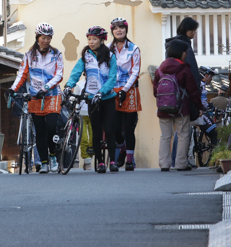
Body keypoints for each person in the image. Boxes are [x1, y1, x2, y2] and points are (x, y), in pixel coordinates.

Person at [8, 23, 64, 173]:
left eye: (48, 38)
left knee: (51, 127)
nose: (46, 40)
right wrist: (12, 89)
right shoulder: (29, 55)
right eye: (43, 37)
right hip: (35, 97)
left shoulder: (56, 54)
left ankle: (53, 156)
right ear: (37, 37)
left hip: (52, 95)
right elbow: (22, 74)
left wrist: (45, 88)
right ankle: (44, 162)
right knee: (39, 131)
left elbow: (59, 75)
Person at [64, 26, 118, 173]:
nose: (91, 42)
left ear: (101, 40)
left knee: (109, 129)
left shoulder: (111, 57)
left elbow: (113, 78)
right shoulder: (85, 56)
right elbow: (76, 73)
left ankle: (112, 161)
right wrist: (69, 86)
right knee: (96, 131)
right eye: (89, 39)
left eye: (94, 39)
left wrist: (102, 92)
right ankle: (100, 162)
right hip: (91, 99)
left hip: (107, 98)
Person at [155, 39, 204, 171]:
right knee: (183, 134)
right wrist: (199, 106)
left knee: (165, 136)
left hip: (163, 108)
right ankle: (181, 163)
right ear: (181, 53)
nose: (185, 54)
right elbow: (192, 91)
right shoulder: (184, 68)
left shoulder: (160, 69)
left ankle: (164, 164)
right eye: (185, 52)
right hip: (182, 108)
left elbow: (156, 91)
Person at [165, 17, 202, 167]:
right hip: (184, 92)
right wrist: (197, 90)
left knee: (168, 133)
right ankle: (180, 161)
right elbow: (190, 69)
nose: (194, 33)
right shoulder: (184, 44)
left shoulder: (170, 44)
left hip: (169, 92)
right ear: (185, 29)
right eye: (192, 30)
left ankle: (168, 162)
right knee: (183, 129)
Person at [109, 17, 141, 171]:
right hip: (111, 90)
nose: (118, 30)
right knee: (114, 126)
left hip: (129, 90)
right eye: (115, 28)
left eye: (121, 27)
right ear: (112, 31)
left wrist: (124, 90)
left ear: (126, 30)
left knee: (128, 128)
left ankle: (129, 159)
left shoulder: (134, 49)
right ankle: (122, 150)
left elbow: (135, 72)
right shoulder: (108, 49)